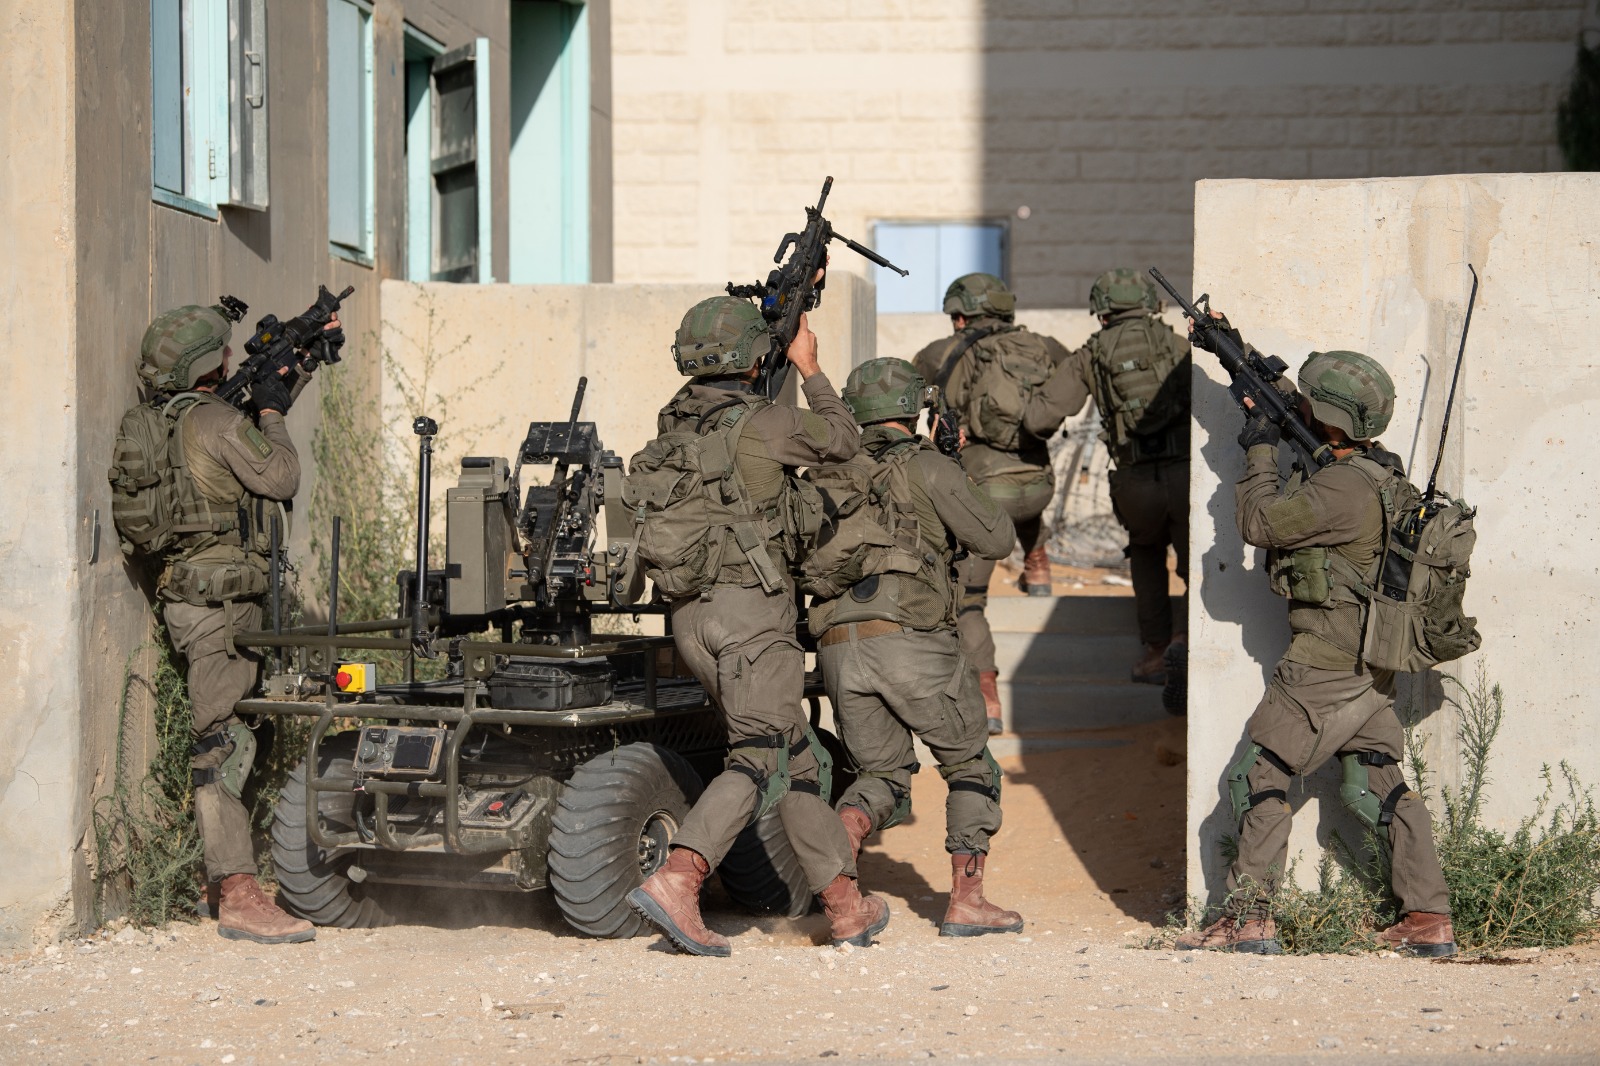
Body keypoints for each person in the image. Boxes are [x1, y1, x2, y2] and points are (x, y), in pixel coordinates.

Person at [1175, 326, 1455, 958]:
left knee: (1257, 777)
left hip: (1322, 665)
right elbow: (1304, 422)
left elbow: (1259, 522)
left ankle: (1248, 919)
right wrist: (1240, 360)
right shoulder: (1378, 471)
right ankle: (1428, 916)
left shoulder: (1341, 489)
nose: (1299, 405)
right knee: (1375, 783)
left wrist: (1260, 448)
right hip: (1369, 663)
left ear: (1330, 420)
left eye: (1308, 401)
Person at [626, 295, 889, 957]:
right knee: (756, 759)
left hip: (690, 618)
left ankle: (845, 906)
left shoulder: (671, 427)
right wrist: (808, 366)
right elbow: (844, 441)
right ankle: (679, 879)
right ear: (754, 359)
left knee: (793, 759)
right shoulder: (767, 424)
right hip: (752, 619)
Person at [128, 301, 340, 944]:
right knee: (221, 742)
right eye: (221, 350)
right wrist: (272, 413)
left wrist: (294, 372)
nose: (229, 356)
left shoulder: (170, 420)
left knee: (248, 734)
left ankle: (220, 880)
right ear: (204, 364)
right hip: (221, 607)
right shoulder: (217, 419)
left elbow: (231, 462)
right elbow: (279, 475)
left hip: (202, 599)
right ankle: (239, 893)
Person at [810, 357, 1023, 937]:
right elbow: (998, 537)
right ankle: (967, 902)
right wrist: (955, 467)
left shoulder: (824, 474)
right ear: (915, 409)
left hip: (838, 644)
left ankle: (841, 889)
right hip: (909, 639)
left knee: (880, 775)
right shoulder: (927, 465)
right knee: (970, 763)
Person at [911, 273, 1073, 734]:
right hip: (1039, 486)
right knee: (1021, 493)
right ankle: (1037, 563)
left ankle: (987, 695)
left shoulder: (940, 353)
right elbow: (1076, 378)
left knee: (968, 602)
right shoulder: (1043, 346)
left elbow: (903, 399)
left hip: (985, 496)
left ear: (961, 315)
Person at [1022, 268, 1192, 701]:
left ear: (1101, 312)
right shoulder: (1177, 345)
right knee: (1197, 565)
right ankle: (1185, 637)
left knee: (1146, 553)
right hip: (1186, 476)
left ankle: (1156, 652)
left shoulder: (1092, 353)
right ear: (1150, 305)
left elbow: (1040, 418)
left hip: (1135, 480)